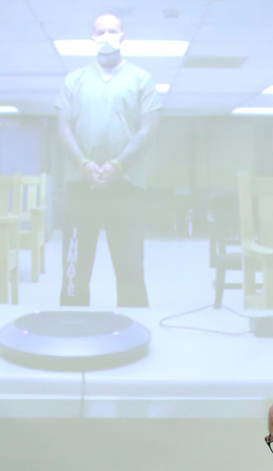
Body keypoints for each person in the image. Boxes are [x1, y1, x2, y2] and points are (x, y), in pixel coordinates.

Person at [55, 13, 161, 308]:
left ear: (122, 36)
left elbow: (149, 128)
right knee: (75, 268)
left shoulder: (141, 79)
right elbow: (63, 128)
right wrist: (83, 165)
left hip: (126, 187)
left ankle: (135, 327)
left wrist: (117, 165)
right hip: (80, 186)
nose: (106, 36)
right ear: (92, 38)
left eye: (111, 31)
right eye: (99, 31)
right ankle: (72, 325)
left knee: (130, 267)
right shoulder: (73, 81)